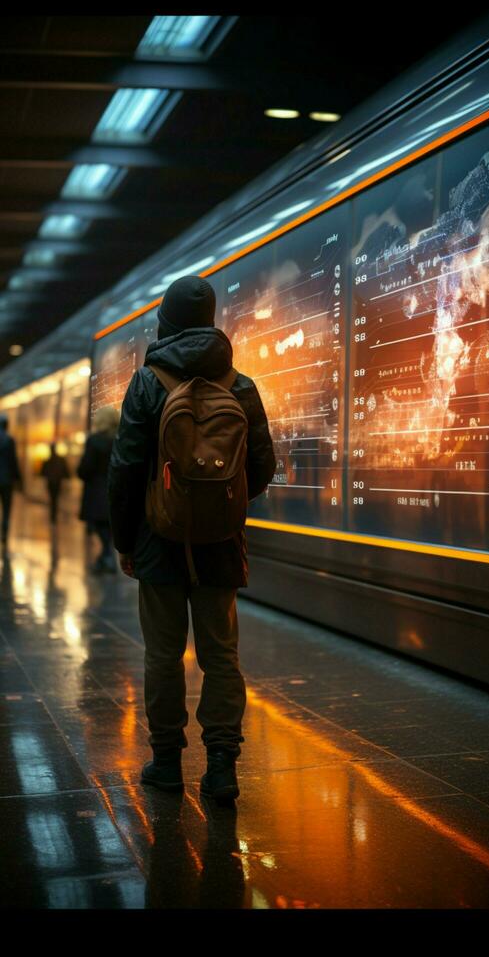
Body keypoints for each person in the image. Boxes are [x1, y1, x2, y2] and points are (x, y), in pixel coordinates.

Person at [108, 275, 276, 800]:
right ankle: (222, 767)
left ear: (167, 320)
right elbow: (264, 466)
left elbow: (126, 468)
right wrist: (219, 508)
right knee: (221, 655)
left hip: (157, 540)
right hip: (221, 545)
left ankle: (166, 762)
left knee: (162, 655)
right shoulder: (241, 385)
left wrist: (125, 540)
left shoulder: (146, 382)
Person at [78, 405, 120, 574]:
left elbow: (85, 468)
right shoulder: (121, 439)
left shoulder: (94, 440)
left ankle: (107, 557)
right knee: (109, 525)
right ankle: (105, 557)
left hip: (96, 490)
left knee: (98, 524)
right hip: (116, 488)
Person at [0, 414, 22, 546]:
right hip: (7, 481)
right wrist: (19, 480)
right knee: (7, 508)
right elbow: (14, 462)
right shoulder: (10, 440)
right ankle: (4, 533)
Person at [40, 443, 70, 525]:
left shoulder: (48, 461)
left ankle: (53, 515)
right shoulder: (58, 460)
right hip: (56, 482)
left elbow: (43, 472)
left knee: (53, 499)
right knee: (54, 499)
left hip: (52, 482)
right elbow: (66, 472)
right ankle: (53, 515)